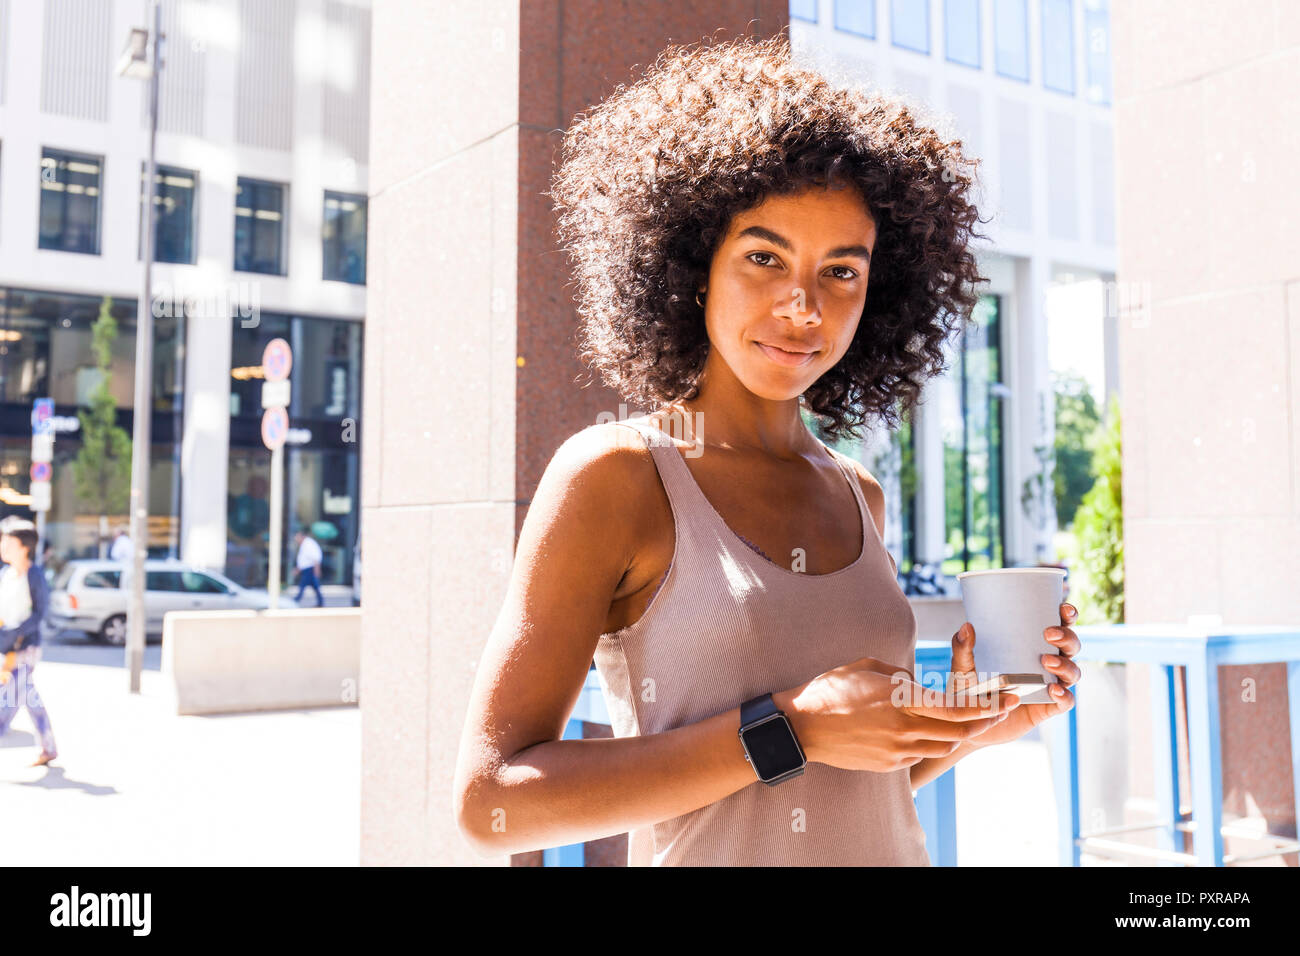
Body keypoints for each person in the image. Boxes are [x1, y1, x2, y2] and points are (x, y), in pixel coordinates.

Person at [453, 34, 1082, 866]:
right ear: (690, 267)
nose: (803, 305)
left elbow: (841, 787)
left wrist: (973, 726)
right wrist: (796, 725)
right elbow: (491, 803)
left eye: (842, 272)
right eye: (763, 256)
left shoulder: (859, 494)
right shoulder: (619, 476)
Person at [0, 523, 58, 767]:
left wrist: (15, 632)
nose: (3, 546)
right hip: (7, 647)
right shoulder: (6, 573)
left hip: (26, 647)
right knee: (29, 697)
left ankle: (47, 747)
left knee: (8, 701)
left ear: (25, 548)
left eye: (9, 543)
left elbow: (39, 613)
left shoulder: (34, 575)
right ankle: (48, 747)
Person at [292, 530, 323, 607]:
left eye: (297, 537)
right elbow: (304, 559)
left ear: (302, 536)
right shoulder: (305, 544)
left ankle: (296, 600)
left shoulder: (309, 544)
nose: (296, 540)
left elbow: (315, 557)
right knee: (315, 586)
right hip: (307, 569)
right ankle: (320, 602)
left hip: (309, 569)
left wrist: (317, 569)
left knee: (303, 585)